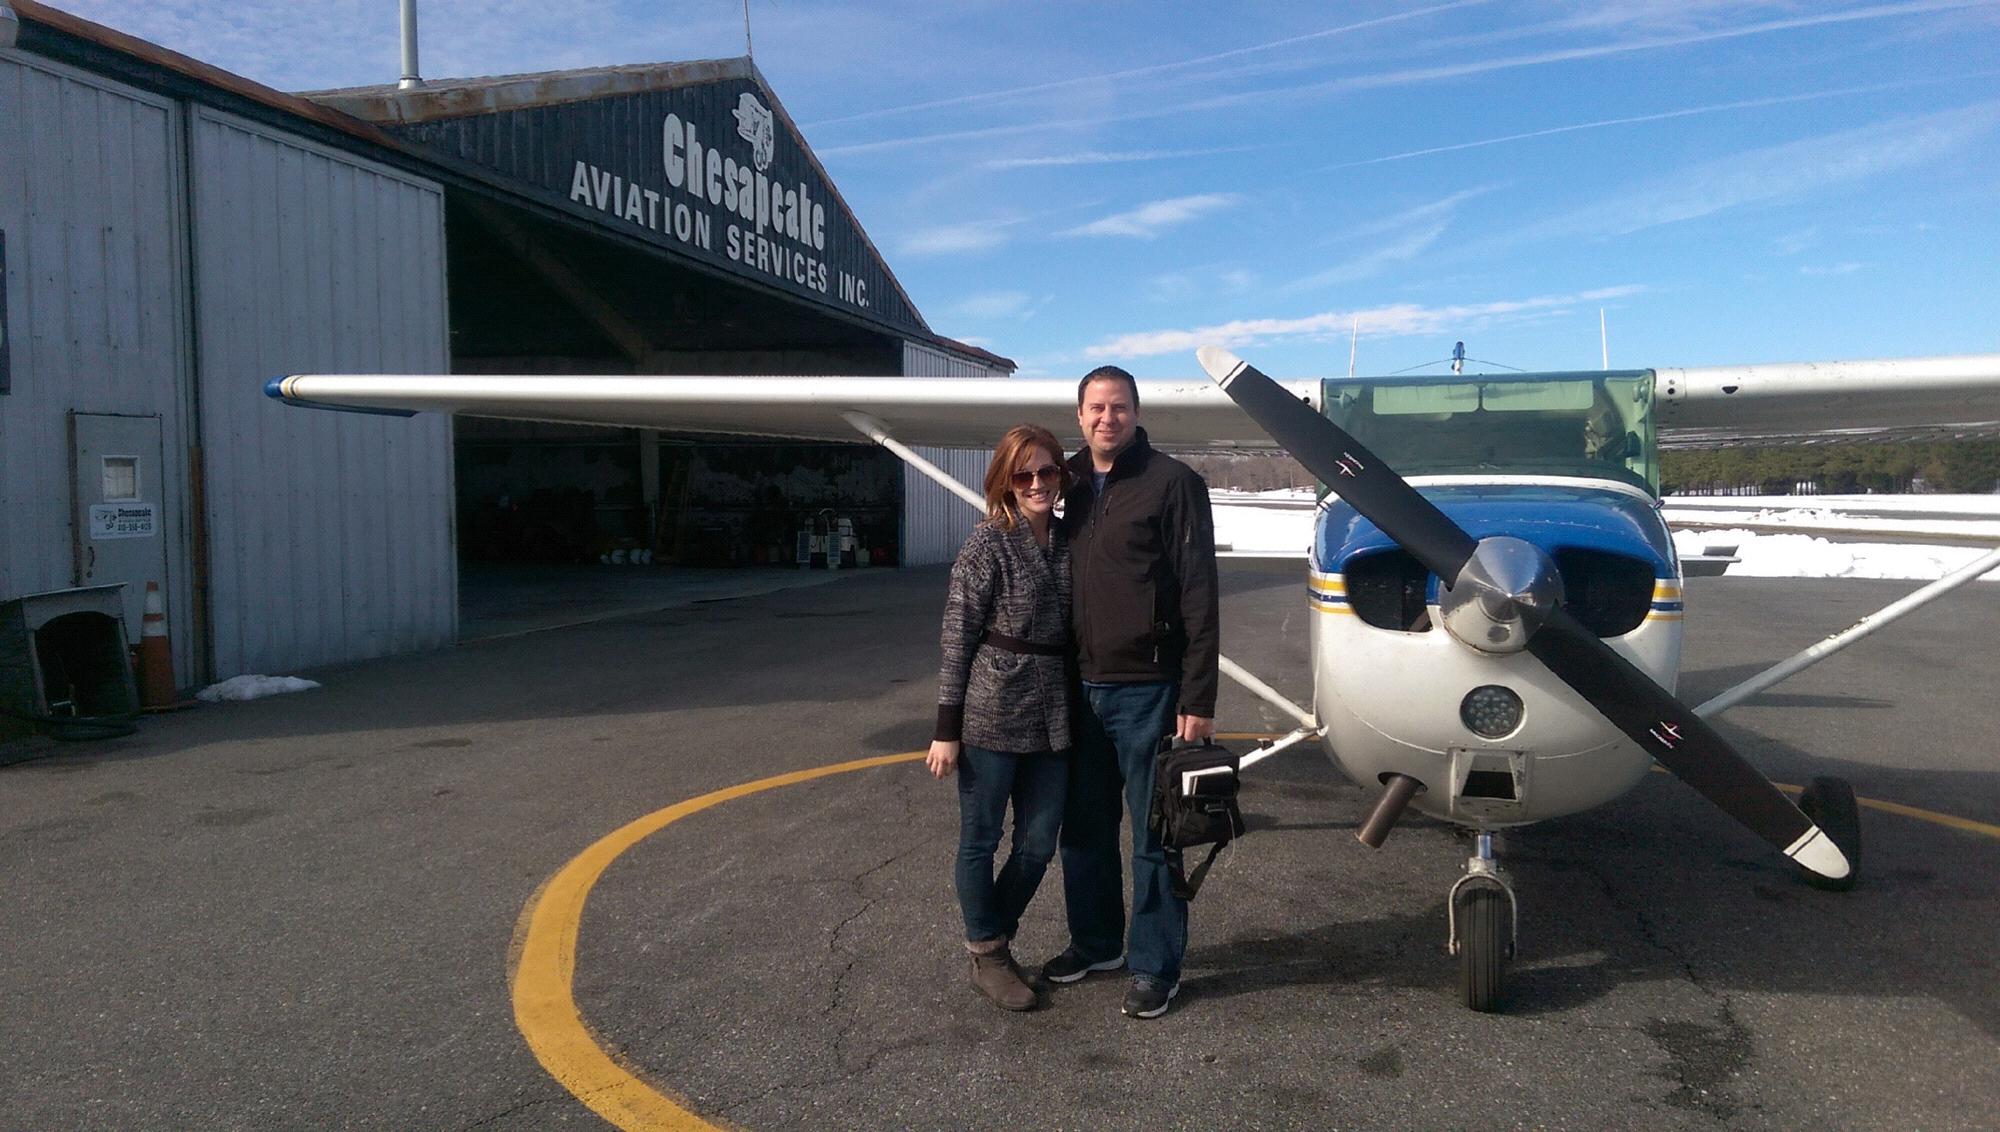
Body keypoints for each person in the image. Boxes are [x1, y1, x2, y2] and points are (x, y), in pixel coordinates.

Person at [1044, 365, 1219, 1019]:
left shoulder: (1173, 484)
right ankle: (1095, 943)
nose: (1106, 418)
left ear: (1136, 413)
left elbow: (1199, 594)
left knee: (1155, 838)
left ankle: (1155, 964)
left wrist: (1197, 697)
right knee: (1084, 831)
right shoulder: (1061, 482)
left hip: (1150, 690)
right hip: (1078, 690)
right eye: (1095, 407)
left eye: (1118, 407)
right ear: (1080, 414)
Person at [927, 424, 1076, 1011]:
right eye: (1025, 474)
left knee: (1039, 842)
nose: (1038, 483)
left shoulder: (1069, 541)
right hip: (992, 709)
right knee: (981, 838)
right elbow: (956, 638)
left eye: (1047, 471)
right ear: (1005, 483)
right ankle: (988, 952)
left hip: (1055, 712)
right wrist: (946, 729)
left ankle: (993, 940)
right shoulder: (985, 545)